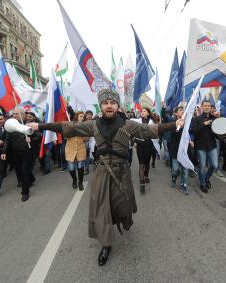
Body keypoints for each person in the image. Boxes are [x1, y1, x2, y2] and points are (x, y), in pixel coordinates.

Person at [28, 89, 183, 266]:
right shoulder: (93, 125)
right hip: (102, 172)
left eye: (112, 102)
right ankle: (106, 245)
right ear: (101, 106)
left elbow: (151, 130)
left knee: (123, 207)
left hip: (122, 172)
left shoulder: (129, 125)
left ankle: (120, 219)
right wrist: (40, 126)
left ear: (117, 105)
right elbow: (67, 127)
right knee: (102, 210)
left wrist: (175, 124)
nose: (109, 105)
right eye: (105, 103)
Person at [2, 108, 39, 202]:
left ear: (23, 115)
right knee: (19, 169)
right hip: (16, 152)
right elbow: (7, 140)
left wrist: (32, 139)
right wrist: (4, 152)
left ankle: (25, 192)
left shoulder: (29, 125)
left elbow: (39, 136)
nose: (14, 116)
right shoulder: (10, 125)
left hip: (27, 151)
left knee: (24, 170)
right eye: (13, 114)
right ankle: (31, 178)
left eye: (17, 114)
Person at [191, 100, 218, 193]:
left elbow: (219, 131)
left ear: (210, 107)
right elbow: (194, 131)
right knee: (202, 166)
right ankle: (203, 183)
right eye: (205, 105)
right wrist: (203, 124)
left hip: (212, 145)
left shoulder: (214, 118)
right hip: (201, 146)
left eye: (209, 106)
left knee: (214, 165)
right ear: (202, 107)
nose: (207, 107)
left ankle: (206, 178)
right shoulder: (197, 119)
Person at [132, 107, 159, 193]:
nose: (142, 112)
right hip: (140, 145)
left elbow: (156, 132)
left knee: (147, 163)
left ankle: (146, 175)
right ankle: (142, 182)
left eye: (144, 111)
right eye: (141, 111)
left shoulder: (152, 122)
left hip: (149, 145)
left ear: (148, 113)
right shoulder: (137, 121)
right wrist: (135, 141)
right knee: (141, 164)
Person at [168, 106, 189, 195]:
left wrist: (191, 141)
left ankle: (183, 185)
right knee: (175, 169)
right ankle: (173, 178)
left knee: (185, 170)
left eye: (183, 110)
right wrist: (180, 125)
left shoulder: (187, 122)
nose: (182, 111)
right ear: (175, 113)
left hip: (184, 150)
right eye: (180, 110)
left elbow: (190, 132)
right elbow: (173, 132)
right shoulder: (173, 123)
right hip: (175, 149)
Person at [66, 111, 87, 190]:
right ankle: (74, 180)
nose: (82, 118)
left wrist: (81, 132)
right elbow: (66, 137)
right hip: (70, 149)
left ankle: (80, 182)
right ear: (76, 117)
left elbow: (86, 139)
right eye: (81, 116)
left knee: (80, 166)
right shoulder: (69, 125)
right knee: (71, 168)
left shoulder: (85, 126)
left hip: (81, 149)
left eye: (83, 116)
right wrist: (71, 131)